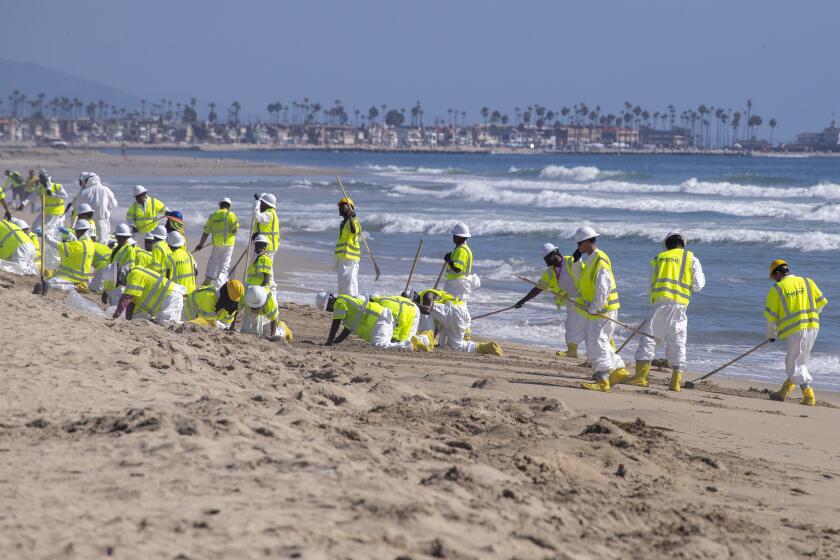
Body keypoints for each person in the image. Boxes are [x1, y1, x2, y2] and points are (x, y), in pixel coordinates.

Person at [616, 232, 706, 392]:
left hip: (660, 305)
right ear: (683, 244)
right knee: (678, 342)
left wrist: (654, 303)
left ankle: (640, 378)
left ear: (667, 244)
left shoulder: (659, 258)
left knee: (649, 339)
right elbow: (698, 285)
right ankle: (675, 382)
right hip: (680, 307)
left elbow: (651, 285)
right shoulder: (691, 258)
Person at [574, 226, 629, 392]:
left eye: (580, 244)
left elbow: (603, 286)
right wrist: (577, 262)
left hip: (602, 309)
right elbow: (581, 279)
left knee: (596, 343)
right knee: (599, 341)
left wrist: (596, 307)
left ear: (588, 242)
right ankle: (618, 369)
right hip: (597, 309)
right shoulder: (590, 259)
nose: (579, 248)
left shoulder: (600, 259)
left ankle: (602, 379)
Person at [764, 260, 827, 406]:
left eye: (774, 277)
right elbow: (822, 302)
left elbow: (770, 317)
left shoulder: (777, 288)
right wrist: (809, 317)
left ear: (778, 273)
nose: (775, 280)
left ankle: (809, 395)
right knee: (801, 360)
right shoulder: (807, 281)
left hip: (795, 331)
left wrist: (771, 335)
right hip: (813, 327)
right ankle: (784, 390)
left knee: (793, 363)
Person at [514, 243, 585, 358]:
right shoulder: (550, 273)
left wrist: (578, 256)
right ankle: (572, 351)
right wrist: (523, 301)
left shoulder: (569, 261)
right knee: (571, 326)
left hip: (584, 299)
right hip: (571, 301)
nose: (546, 262)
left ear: (554, 254)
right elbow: (538, 288)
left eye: (547, 258)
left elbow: (581, 269)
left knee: (593, 325)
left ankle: (608, 350)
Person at [413, 288, 502, 355]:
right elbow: (437, 325)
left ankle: (423, 341)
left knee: (423, 310)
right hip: (461, 312)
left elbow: (428, 310)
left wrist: (413, 304)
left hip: (453, 311)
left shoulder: (425, 295)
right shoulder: (435, 297)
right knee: (456, 346)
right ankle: (487, 347)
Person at [317, 291, 416, 350]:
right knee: (384, 343)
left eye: (327, 309)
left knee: (380, 344)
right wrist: (334, 342)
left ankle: (406, 345)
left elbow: (336, 324)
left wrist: (329, 342)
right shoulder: (348, 312)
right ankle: (420, 340)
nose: (330, 311)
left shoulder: (339, 302)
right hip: (382, 317)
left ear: (328, 305)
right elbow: (346, 331)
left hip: (380, 318)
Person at [17, 170, 68, 269]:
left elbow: (65, 196)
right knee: (34, 228)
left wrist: (53, 194)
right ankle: (33, 249)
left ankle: (56, 259)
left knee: (56, 236)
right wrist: (23, 204)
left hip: (58, 216)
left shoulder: (57, 186)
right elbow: (32, 196)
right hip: (46, 213)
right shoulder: (40, 188)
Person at [112, 265, 186, 323]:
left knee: (169, 324)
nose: (122, 285)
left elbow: (126, 298)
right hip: (168, 297)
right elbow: (131, 305)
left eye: (120, 282)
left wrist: (116, 316)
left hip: (171, 297)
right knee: (161, 323)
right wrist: (128, 321)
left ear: (121, 277)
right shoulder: (136, 274)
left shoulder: (134, 274)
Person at [196, 197, 238, 286]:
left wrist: (201, 244)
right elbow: (235, 229)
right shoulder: (231, 215)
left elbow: (206, 231)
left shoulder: (213, 215)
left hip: (217, 244)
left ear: (220, 205)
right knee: (225, 263)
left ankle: (208, 279)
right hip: (228, 244)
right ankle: (220, 282)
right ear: (229, 206)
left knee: (213, 261)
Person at [44, 219, 96, 291]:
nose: (76, 233)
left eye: (77, 231)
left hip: (73, 278)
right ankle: (78, 285)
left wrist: (46, 237)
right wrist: (69, 234)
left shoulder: (79, 245)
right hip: (81, 277)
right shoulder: (89, 243)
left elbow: (58, 245)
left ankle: (75, 287)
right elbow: (76, 242)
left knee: (50, 283)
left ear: (81, 231)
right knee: (49, 281)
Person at [67, 172, 118, 242]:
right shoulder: (106, 190)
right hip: (103, 222)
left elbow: (76, 206)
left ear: (87, 180)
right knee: (102, 244)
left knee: (89, 243)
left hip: (88, 223)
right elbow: (114, 205)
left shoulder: (84, 192)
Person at [444, 223, 480, 302]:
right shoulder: (459, 249)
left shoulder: (461, 250)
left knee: (455, 306)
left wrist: (449, 260)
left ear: (459, 237)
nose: (453, 237)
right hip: (457, 283)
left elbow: (457, 269)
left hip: (458, 284)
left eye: (454, 235)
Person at [102, 223, 137, 305]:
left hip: (119, 286)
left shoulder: (129, 250)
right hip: (111, 285)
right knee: (112, 307)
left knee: (116, 309)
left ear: (127, 237)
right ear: (116, 237)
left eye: (124, 237)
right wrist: (106, 291)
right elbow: (109, 269)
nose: (121, 239)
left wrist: (121, 282)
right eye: (120, 237)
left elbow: (129, 268)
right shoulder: (115, 250)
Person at [334, 196, 360, 296]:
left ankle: (352, 302)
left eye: (342, 206)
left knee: (350, 283)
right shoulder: (342, 223)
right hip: (342, 258)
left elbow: (353, 231)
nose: (340, 209)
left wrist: (351, 217)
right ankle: (344, 301)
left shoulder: (354, 222)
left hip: (350, 259)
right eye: (339, 207)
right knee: (342, 283)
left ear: (350, 208)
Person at [253, 192, 280, 263]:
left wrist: (257, 203)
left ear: (266, 204)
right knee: (263, 268)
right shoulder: (270, 213)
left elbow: (256, 217)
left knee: (265, 269)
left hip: (266, 247)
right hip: (264, 245)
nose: (261, 204)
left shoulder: (269, 214)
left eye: (262, 203)